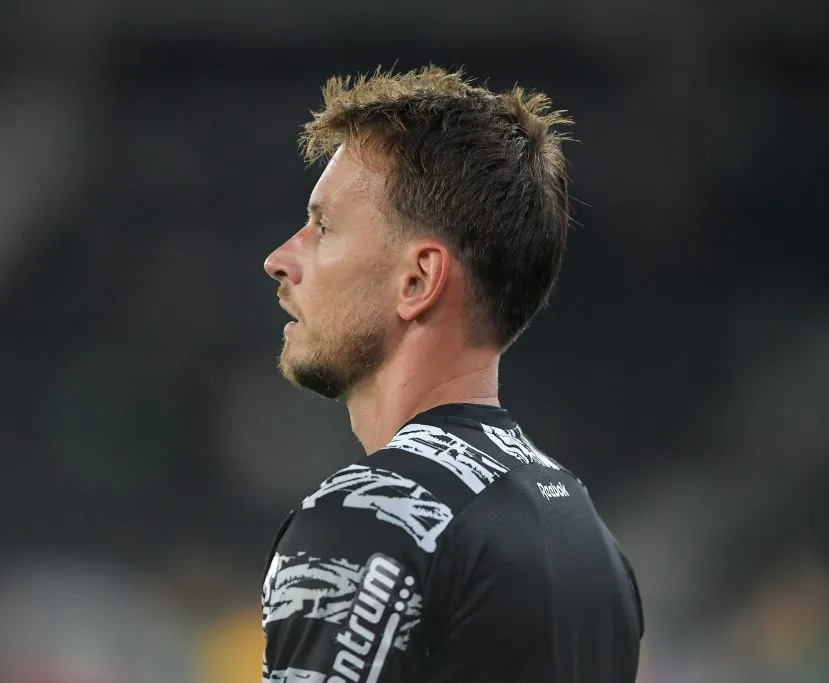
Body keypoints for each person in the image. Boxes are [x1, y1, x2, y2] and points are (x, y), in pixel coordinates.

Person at [260, 66, 643, 683]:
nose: (280, 259)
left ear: (417, 280)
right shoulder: (588, 537)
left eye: (323, 227)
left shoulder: (368, 518)